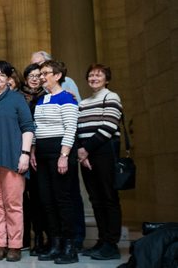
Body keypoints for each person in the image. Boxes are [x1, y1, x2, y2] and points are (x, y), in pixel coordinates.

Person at [30, 51, 86, 251]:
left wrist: (64, 156)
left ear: (58, 76)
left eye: (46, 73)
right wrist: (34, 150)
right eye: (41, 73)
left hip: (60, 153)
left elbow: (71, 128)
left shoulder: (67, 98)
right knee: (46, 199)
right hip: (42, 154)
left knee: (63, 199)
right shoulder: (41, 100)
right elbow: (36, 127)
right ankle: (54, 242)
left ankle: (68, 245)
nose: (42, 77)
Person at [0, 61, 34, 262]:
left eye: (1, 75)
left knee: (13, 204)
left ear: (8, 78)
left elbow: (28, 127)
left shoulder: (17, 99)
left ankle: (15, 245)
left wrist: (25, 154)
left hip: (13, 157)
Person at [77, 64, 123, 260]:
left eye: (99, 75)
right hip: (86, 155)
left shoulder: (111, 97)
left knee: (108, 197)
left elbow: (109, 126)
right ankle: (102, 240)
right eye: (91, 75)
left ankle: (111, 244)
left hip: (104, 152)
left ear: (107, 79)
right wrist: (82, 152)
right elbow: (77, 128)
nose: (94, 78)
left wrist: (86, 150)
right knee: (95, 199)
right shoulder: (83, 103)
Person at [20, 63, 48, 256]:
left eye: (39, 75)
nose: (35, 78)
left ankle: (41, 237)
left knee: (41, 197)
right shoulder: (20, 97)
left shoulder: (47, 96)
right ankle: (28, 238)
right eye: (31, 74)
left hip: (42, 151)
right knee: (25, 199)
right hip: (23, 151)